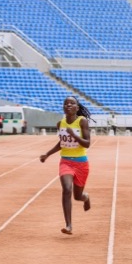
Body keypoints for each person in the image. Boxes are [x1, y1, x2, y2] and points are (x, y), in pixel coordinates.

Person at [39, 96, 93, 235]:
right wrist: (47, 154)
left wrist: (74, 135)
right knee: (67, 189)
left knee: (77, 196)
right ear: (63, 107)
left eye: (72, 103)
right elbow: (61, 143)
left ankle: (85, 198)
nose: (68, 105)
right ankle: (68, 225)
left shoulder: (82, 121)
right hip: (66, 162)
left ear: (77, 107)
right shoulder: (60, 124)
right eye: (66, 103)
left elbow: (87, 143)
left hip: (81, 162)